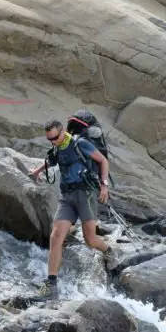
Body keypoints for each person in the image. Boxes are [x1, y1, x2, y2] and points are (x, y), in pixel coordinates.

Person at [29, 118, 112, 294]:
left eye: (55, 137)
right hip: (66, 197)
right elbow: (50, 162)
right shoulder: (57, 148)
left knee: (90, 239)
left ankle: (110, 252)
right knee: (56, 236)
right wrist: (36, 172)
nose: (53, 142)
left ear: (63, 131)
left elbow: (103, 161)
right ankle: (51, 283)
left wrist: (104, 186)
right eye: (49, 139)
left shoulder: (80, 144)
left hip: (85, 194)